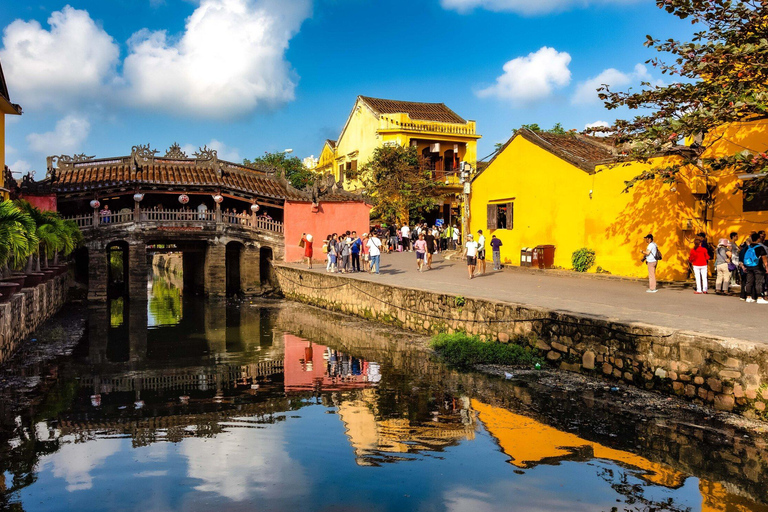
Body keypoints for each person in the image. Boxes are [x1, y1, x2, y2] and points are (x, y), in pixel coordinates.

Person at [741, 232, 768, 303]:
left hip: (749, 266)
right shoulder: (760, 247)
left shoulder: (747, 247)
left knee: (749, 282)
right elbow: (764, 259)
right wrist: (766, 267)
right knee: (759, 282)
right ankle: (759, 297)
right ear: (758, 239)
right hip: (758, 267)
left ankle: (748, 297)